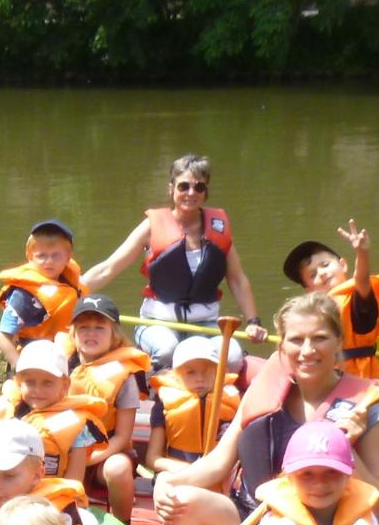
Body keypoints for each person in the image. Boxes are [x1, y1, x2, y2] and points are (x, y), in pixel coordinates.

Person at [153, 292, 379, 525]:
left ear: (338, 344)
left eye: (320, 338)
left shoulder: (363, 409)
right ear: (281, 347)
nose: (307, 350)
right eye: (296, 340)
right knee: (181, 503)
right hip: (253, 515)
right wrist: (167, 483)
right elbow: (217, 464)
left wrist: (349, 450)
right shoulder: (263, 392)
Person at [81, 155, 265, 367]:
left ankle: (217, 398)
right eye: (184, 186)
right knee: (167, 351)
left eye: (199, 187)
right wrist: (74, 289)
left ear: (206, 192)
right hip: (158, 323)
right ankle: (160, 393)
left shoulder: (219, 229)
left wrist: (253, 321)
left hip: (205, 325)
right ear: (172, 189)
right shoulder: (152, 226)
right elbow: (109, 268)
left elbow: (237, 280)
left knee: (231, 358)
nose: (191, 193)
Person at [0, 342, 97, 484]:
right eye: (30, 382)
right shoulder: (9, 415)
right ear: (19, 383)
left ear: (65, 385)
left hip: (48, 499)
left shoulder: (77, 427)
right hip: (5, 494)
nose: (37, 390)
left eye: (47, 383)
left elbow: (74, 481)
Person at [59, 294, 151, 517]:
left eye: (100, 328)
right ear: (73, 334)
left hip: (103, 454)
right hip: (64, 449)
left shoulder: (124, 376)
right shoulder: (59, 367)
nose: (91, 333)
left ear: (114, 335)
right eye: (84, 327)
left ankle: (122, 524)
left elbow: (122, 436)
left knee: (118, 469)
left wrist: (88, 459)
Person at [283, 220, 379, 382]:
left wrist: (361, 253)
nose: (322, 273)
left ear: (343, 265)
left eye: (325, 265)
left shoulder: (357, 302)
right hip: (326, 383)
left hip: (360, 386)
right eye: (313, 275)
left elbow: (362, 280)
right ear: (309, 289)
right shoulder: (311, 314)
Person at [146, 334, 241, 469]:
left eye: (207, 371)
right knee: (165, 483)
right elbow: (152, 459)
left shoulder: (231, 400)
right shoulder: (163, 405)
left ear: (218, 372)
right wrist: (189, 471)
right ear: (176, 374)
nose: (200, 379)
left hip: (217, 474)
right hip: (178, 474)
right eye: (191, 372)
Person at [0, 219, 84, 363]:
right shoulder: (23, 295)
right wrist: (20, 369)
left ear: (68, 257)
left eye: (56, 255)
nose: (49, 261)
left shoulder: (67, 282)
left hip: (65, 354)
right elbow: (3, 338)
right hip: (35, 360)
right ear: (30, 256)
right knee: (63, 340)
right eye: (41, 256)